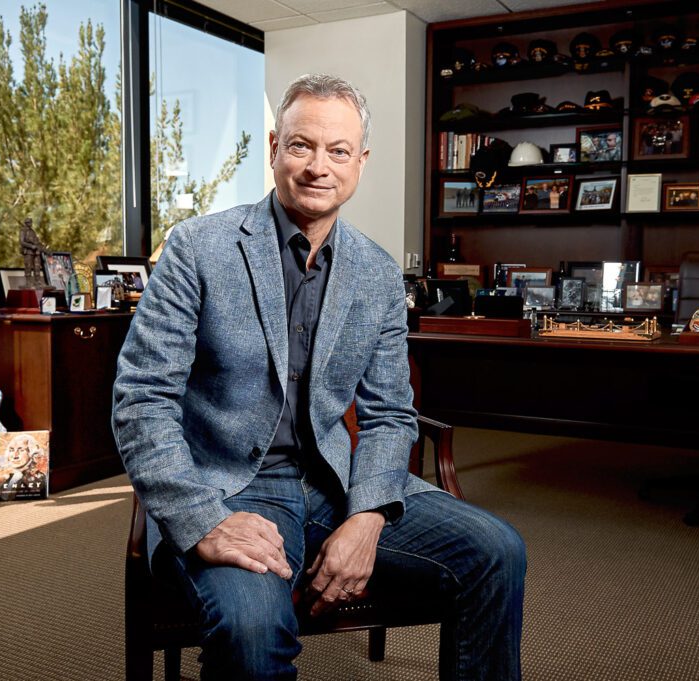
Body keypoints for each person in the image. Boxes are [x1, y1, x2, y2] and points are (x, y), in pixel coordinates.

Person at [112, 73, 526, 681]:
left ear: (360, 162)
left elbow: (390, 414)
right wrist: (201, 519)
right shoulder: (197, 248)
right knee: (251, 629)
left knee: (497, 553)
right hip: (227, 489)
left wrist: (369, 516)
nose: (318, 167)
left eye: (338, 150)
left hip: (337, 483)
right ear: (274, 148)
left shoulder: (377, 273)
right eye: (301, 145)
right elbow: (143, 399)